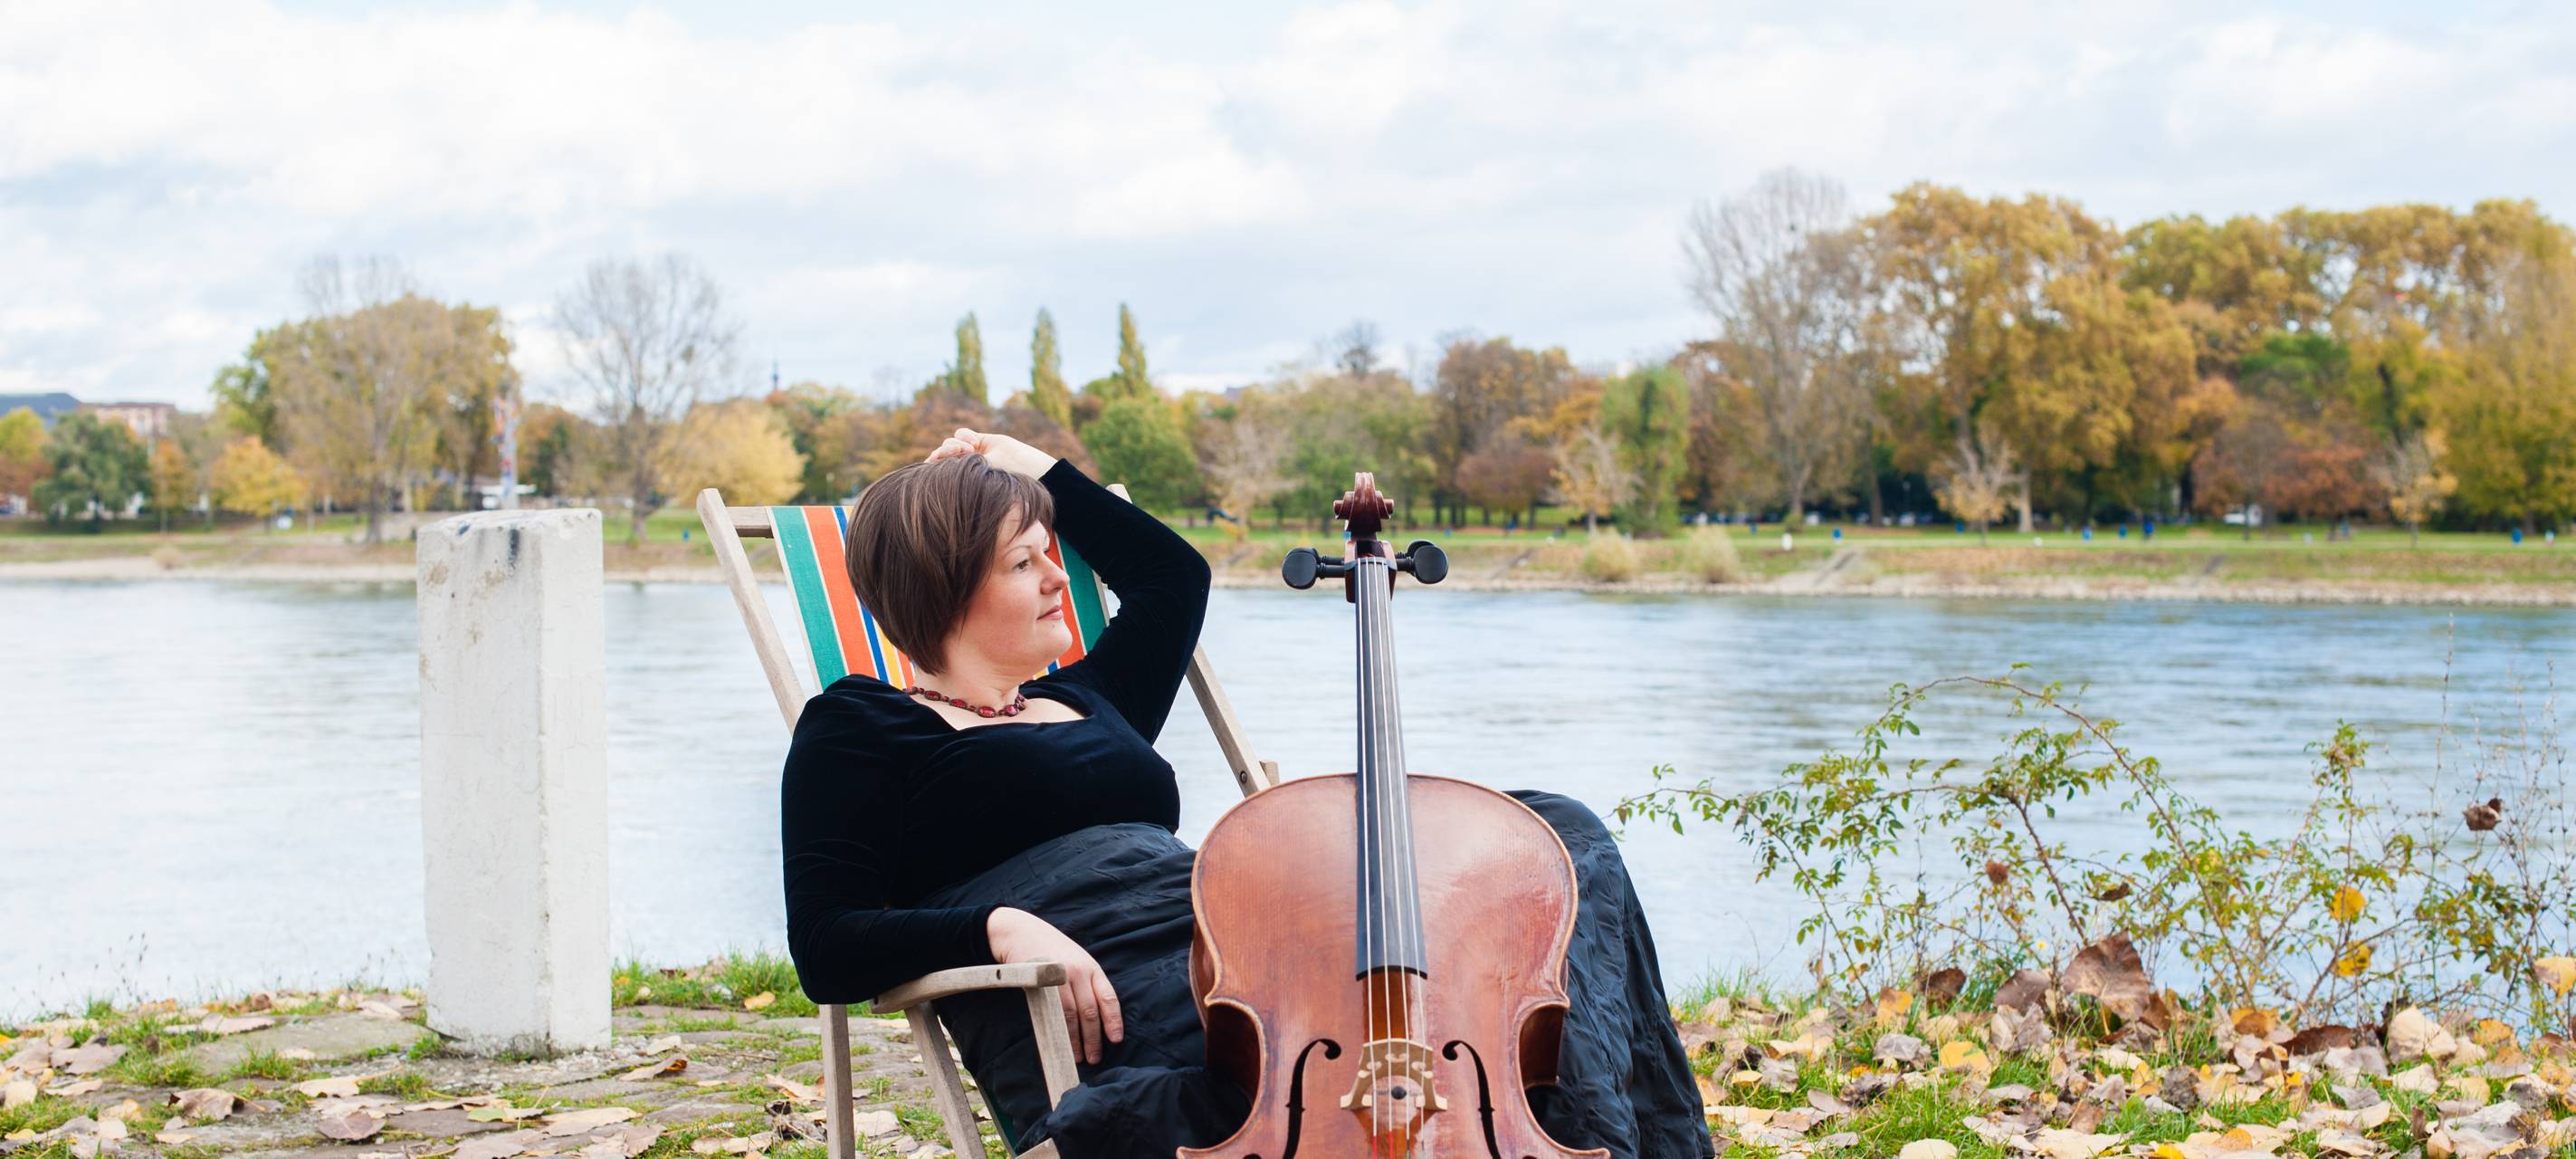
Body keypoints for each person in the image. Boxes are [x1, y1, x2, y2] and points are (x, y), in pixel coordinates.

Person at [779, 428, 1712, 1157]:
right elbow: (827, 941)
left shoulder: (1084, 700)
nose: (1060, 575)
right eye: (1024, 561)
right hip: (1128, 999)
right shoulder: (860, 726)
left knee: (1550, 834)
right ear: (944, 587)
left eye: (1049, 550)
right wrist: (996, 926)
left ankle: (1589, 1139)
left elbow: (1169, 573)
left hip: (1253, 942)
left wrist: (1030, 468)